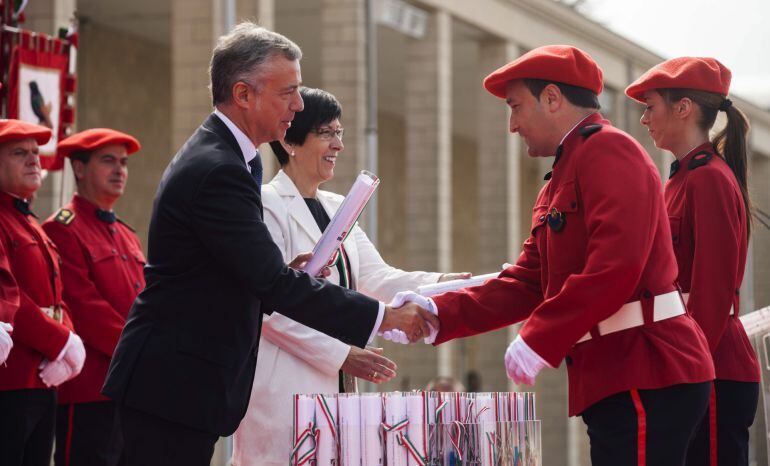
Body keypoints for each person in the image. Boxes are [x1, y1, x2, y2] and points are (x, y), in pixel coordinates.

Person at [100, 23, 437, 466]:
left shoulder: (231, 158)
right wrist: (384, 316)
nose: (298, 106)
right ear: (243, 94)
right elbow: (271, 283)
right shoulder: (219, 168)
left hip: (185, 384)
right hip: (173, 385)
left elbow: (242, 273)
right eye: (288, 92)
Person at [389, 45, 716, 465]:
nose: (512, 125)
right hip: (620, 371)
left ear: (552, 98)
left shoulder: (608, 150)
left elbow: (617, 266)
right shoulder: (564, 173)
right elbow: (528, 281)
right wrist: (439, 310)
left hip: (646, 366)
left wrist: (539, 336)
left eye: (516, 107)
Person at [231, 87, 470, 466]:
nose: (338, 145)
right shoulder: (264, 205)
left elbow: (379, 278)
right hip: (283, 391)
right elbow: (267, 306)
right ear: (291, 140)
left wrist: (445, 284)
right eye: (327, 133)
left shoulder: (338, 206)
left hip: (338, 394)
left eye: (339, 133)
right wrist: (341, 355)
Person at [626, 57, 760, 466]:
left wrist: (684, 370)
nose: (644, 118)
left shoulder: (709, 178)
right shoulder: (680, 179)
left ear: (683, 108)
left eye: (651, 106)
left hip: (710, 368)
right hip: (690, 365)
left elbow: (713, 291)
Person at [42, 128, 145, 466]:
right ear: (79, 169)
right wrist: (141, 354)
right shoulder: (62, 228)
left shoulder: (126, 235)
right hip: (91, 389)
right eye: (108, 161)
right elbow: (85, 309)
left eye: (124, 163)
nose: (120, 170)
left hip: (131, 388)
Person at [0, 119, 86, 466]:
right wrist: (60, 342)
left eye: (36, 152)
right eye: (20, 153)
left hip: (44, 378)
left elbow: (56, 295)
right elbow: (10, 297)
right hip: (11, 378)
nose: (34, 160)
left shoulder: (31, 222)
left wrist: (67, 337)